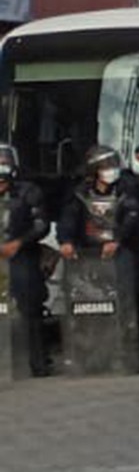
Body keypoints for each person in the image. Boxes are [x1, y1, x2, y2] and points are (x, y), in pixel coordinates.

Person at [0, 142, 53, 376]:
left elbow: (41, 224)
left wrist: (18, 243)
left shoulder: (28, 191)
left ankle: (38, 363)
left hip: (21, 256)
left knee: (30, 308)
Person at [58, 146, 139, 262]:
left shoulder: (127, 190)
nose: (112, 170)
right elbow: (68, 218)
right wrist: (66, 241)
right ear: (94, 170)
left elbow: (132, 218)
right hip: (87, 254)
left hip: (122, 254)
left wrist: (117, 240)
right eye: (107, 167)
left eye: (114, 165)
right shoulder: (81, 194)